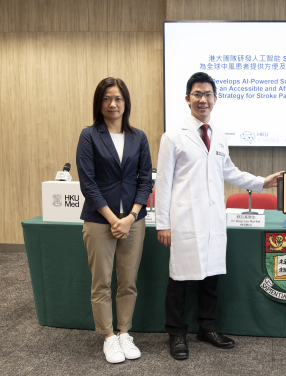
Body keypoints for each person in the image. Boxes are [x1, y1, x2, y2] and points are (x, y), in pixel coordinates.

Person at [155, 72, 283, 360]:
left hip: (213, 219)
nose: (204, 99)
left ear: (215, 99)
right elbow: (162, 183)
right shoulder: (172, 137)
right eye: (198, 94)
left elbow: (230, 172)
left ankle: (207, 328)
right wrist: (163, 224)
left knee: (211, 277)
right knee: (180, 279)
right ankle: (176, 334)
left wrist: (262, 181)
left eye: (209, 94)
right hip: (185, 220)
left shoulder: (219, 136)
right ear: (187, 98)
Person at [77, 77, 153, 364]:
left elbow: (145, 179)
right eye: (107, 98)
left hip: (134, 221)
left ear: (126, 102)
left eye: (118, 98)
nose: (113, 104)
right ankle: (108, 337)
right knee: (101, 282)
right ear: (100, 103)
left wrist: (131, 216)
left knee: (128, 281)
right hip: (99, 221)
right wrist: (113, 219)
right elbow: (88, 182)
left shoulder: (139, 136)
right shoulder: (89, 135)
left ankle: (124, 333)